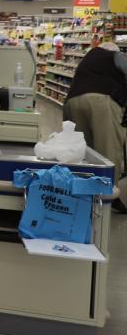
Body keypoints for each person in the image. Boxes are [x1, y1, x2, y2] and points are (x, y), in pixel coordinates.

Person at [64, 40, 127, 210]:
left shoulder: (89, 58)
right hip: (101, 101)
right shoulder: (116, 56)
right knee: (108, 150)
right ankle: (109, 196)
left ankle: (82, 195)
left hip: (74, 102)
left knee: (84, 151)